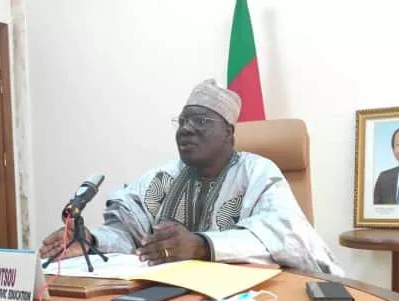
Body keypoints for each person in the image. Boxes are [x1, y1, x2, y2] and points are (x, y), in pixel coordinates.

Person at [39, 79, 343, 275]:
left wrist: (202, 245)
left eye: (200, 120)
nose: (186, 129)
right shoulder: (163, 178)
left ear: (228, 132)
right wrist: (91, 239)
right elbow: (128, 233)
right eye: (182, 121)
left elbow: (284, 236)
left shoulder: (257, 173)